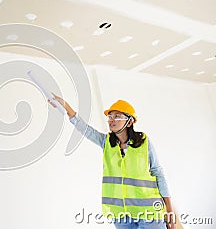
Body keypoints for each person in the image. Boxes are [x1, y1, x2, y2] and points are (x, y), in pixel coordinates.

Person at [49, 95, 176, 229]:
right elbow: (84, 129)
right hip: (120, 214)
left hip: (148, 211)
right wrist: (65, 106)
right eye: (110, 117)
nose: (111, 120)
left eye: (117, 116)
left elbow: (158, 173)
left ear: (130, 121)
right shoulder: (106, 143)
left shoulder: (143, 142)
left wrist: (169, 210)